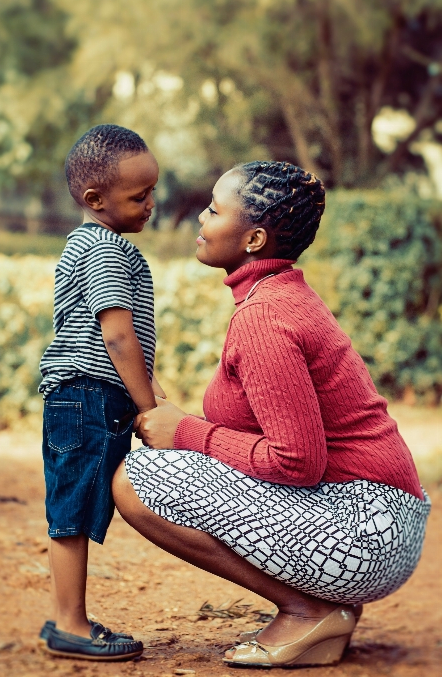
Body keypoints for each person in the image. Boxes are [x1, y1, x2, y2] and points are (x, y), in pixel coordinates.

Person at [112, 160, 431, 669]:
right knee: (163, 469)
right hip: (377, 517)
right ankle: (320, 610)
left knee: (136, 481)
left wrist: (188, 431)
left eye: (214, 210)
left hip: (367, 531)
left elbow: (296, 461)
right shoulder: (276, 296)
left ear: (254, 239)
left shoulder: (264, 317)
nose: (200, 219)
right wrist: (179, 422)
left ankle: (308, 611)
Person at [38, 124, 165, 660]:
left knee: (81, 503)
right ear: (96, 200)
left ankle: (71, 619)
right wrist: (149, 406)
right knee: (71, 508)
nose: (152, 204)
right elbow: (116, 333)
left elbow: (127, 342)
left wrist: (156, 396)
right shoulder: (105, 250)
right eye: (140, 196)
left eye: (152, 191)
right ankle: (70, 623)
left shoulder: (94, 246)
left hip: (92, 397)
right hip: (86, 396)